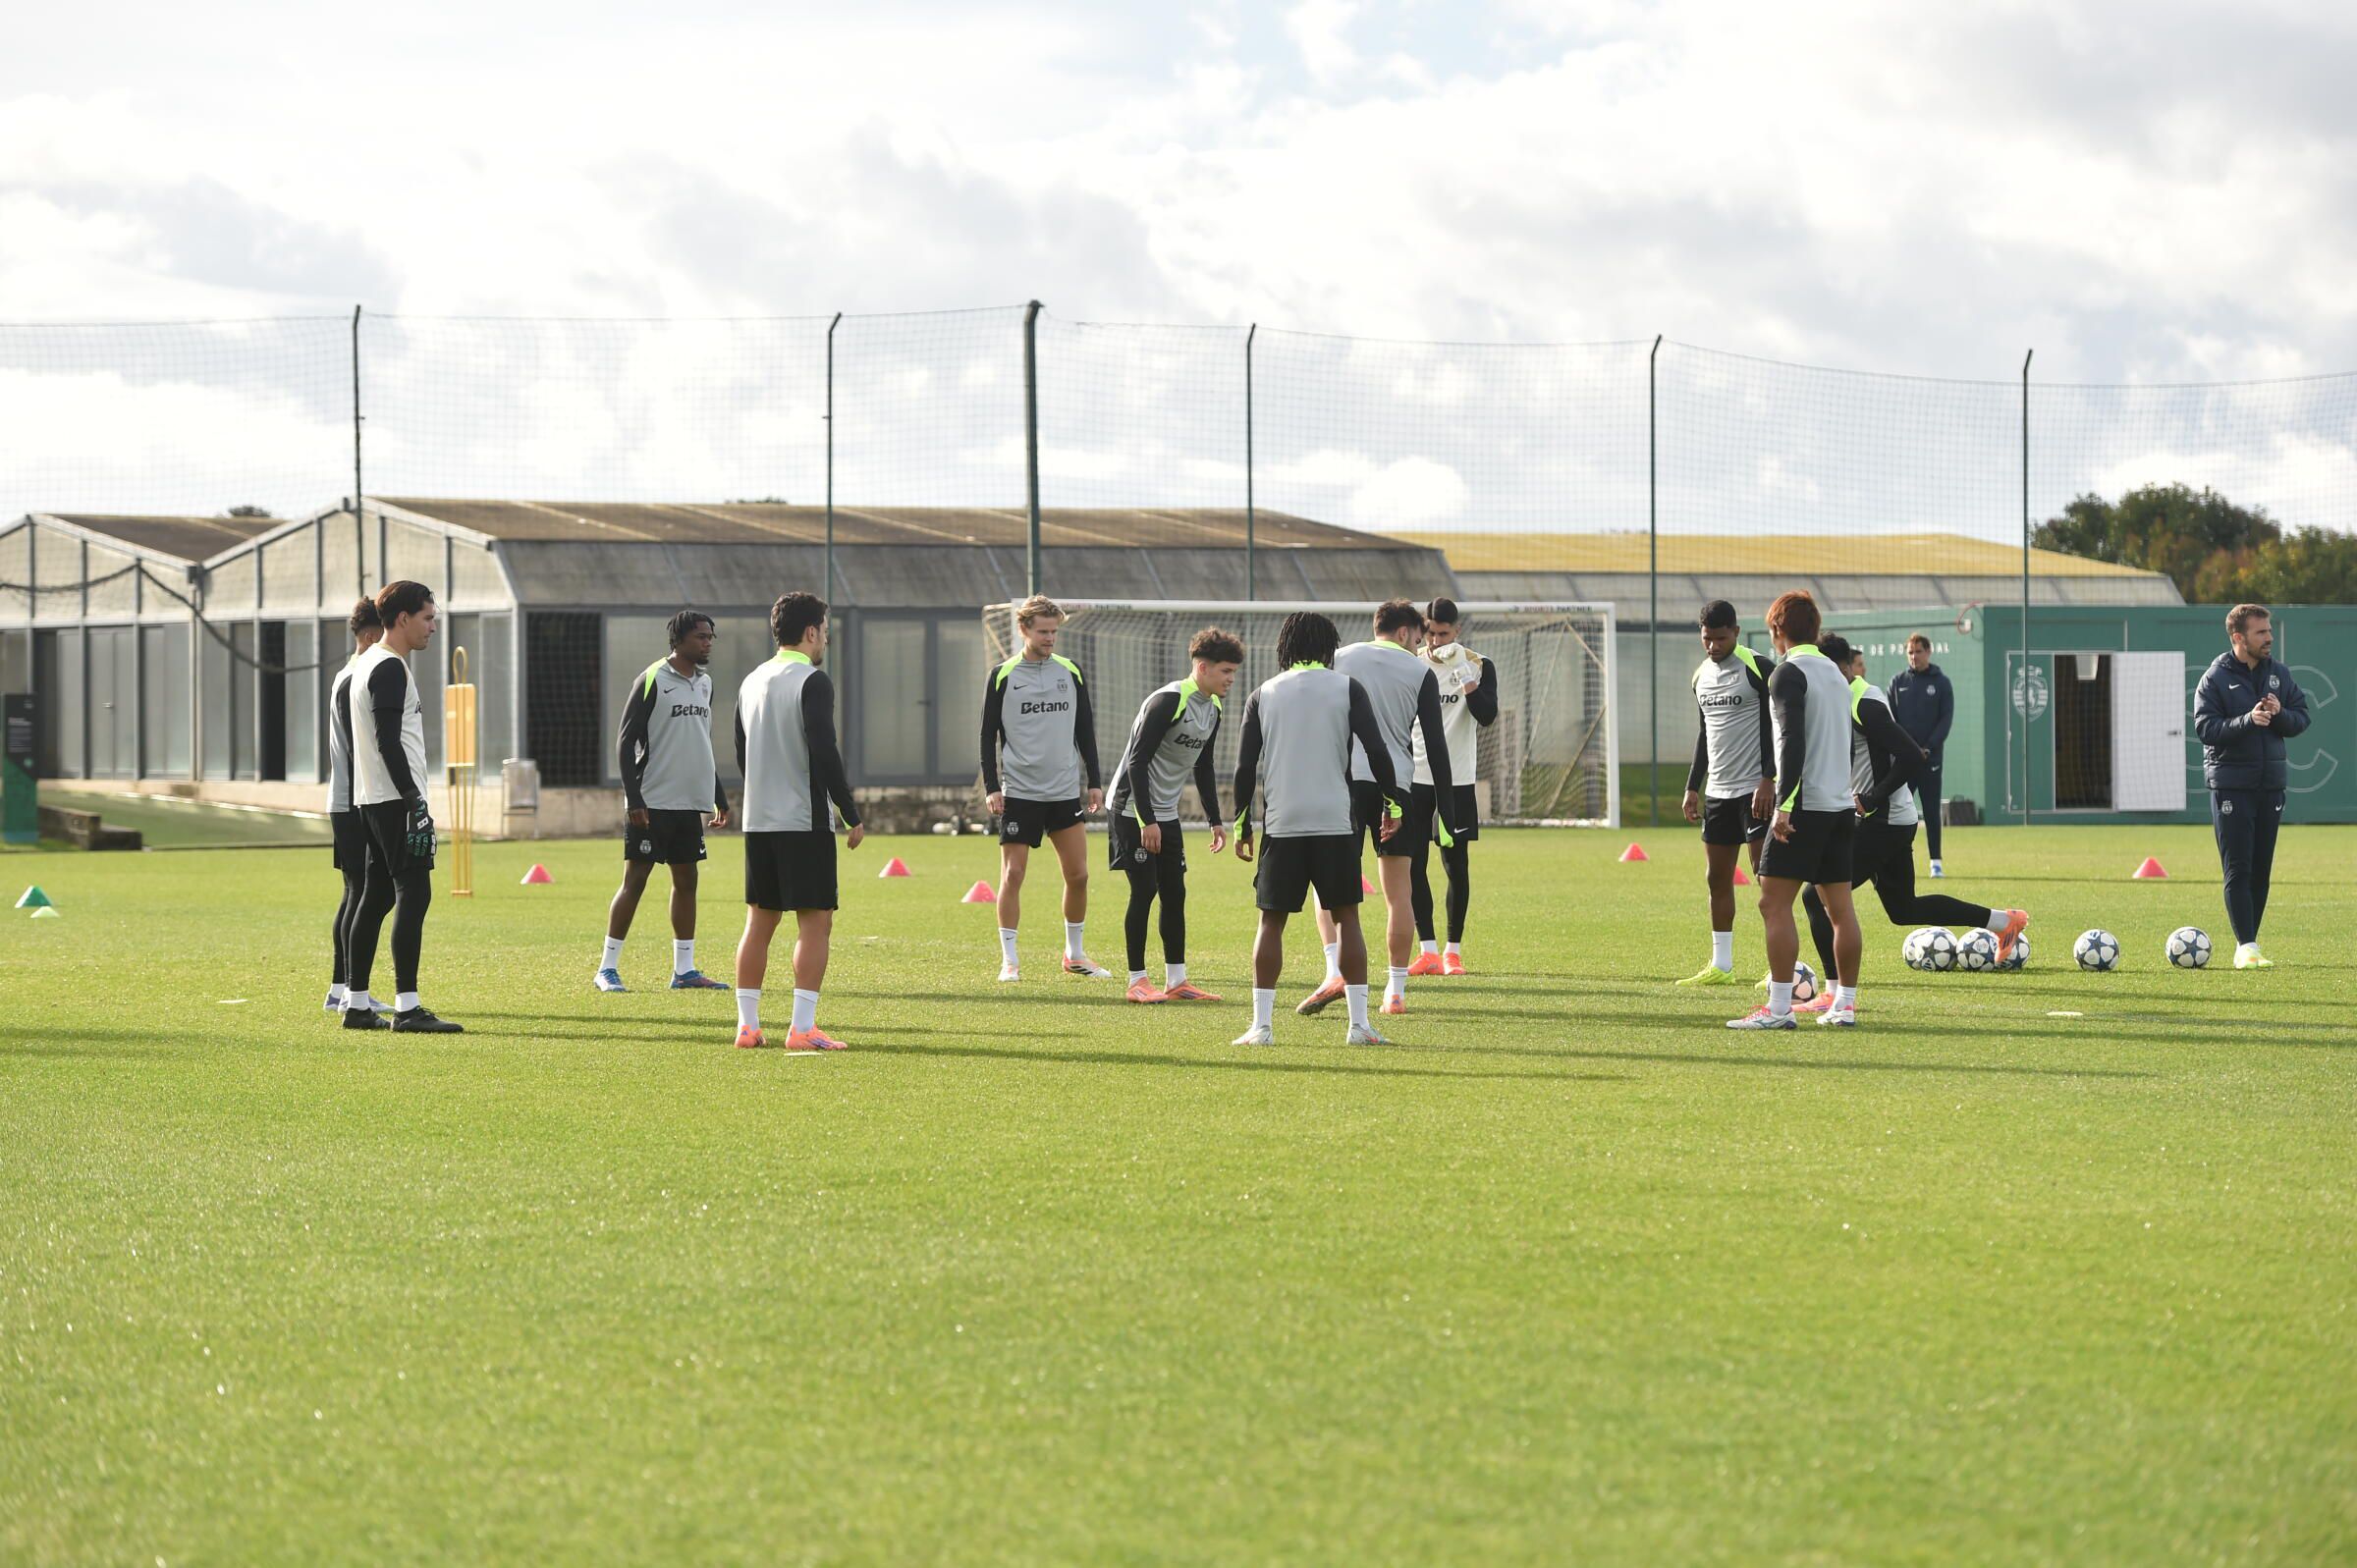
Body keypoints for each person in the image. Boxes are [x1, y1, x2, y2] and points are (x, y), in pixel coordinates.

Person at [1797, 638, 2027, 1013]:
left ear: (1839, 669)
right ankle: (2004, 921)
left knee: (1815, 895)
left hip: (1883, 820)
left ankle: (1833, 992)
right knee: (1903, 909)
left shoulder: (1863, 700)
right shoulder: (1836, 699)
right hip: (1888, 819)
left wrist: (1871, 798)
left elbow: (1911, 756)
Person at [1230, 612, 1403, 1047]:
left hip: (1283, 823)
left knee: (1271, 922)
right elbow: (1377, 750)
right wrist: (1393, 802)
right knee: (1347, 917)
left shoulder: (1262, 693)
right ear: (1328, 647)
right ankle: (1359, 1026)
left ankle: (1261, 1027)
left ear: (1285, 647)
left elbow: (1244, 766)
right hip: (1334, 821)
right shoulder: (1346, 687)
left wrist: (1240, 824)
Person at [1302, 599, 1456, 1018]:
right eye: (1419, 639)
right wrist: (1446, 804)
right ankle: (1395, 990)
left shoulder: (1338, 657)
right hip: (1398, 787)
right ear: (1406, 633)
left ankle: (1334, 970)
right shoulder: (1420, 671)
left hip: (1343, 782)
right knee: (1398, 892)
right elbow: (1435, 744)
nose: (1419, 647)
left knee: (1331, 883)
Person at [732, 591, 863, 1049]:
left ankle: (747, 1027)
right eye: (825, 631)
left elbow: (741, 753)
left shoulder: (750, 682)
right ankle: (802, 1030)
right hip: (803, 821)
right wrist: (850, 812)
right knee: (815, 922)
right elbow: (824, 750)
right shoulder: (812, 680)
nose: (826, 639)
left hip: (758, 820)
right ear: (811, 632)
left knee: (759, 923)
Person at [1727, 592, 1860, 1030]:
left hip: (1805, 807)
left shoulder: (1787, 672)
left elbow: (1792, 739)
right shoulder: (1837, 675)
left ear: (1778, 630)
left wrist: (1784, 804)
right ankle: (1845, 1006)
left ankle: (1780, 1009)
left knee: (1772, 902)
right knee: (1840, 909)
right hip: (1840, 806)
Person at [341, 579, 464, 1034]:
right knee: (414, 893)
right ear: (403, 619)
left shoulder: (366, 662)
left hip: (372, 798)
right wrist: (414, 800)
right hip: (395, 800)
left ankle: (356, 1005)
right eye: (428, 618)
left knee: (374, 897)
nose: (434, 626)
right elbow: (387, 741)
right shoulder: (389, 667)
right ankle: (407, 1008)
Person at [596, 610, 732, 992]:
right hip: (651, 801)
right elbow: (625, 742)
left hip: (689, 803)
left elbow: (700, 743)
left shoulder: (705, 684)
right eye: (701, 637)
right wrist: (634, 798)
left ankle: (684, 971)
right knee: (635, 880)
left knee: (687, 879)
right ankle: (607, 968)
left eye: (710, 637)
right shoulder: (652, 678)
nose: (707, 643)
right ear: (680, 640)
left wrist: (718, 796)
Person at [1107, 626, 1243, 1002]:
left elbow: (1203, 767)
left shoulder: (1212, 707)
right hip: (1131, 807)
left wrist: (1216, 819)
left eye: (1233, 672)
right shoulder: (1168, 701)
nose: (1231, 679)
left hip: (1163, 812)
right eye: (1226, 672)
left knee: (1175, 892)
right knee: (1145, 890)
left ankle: (1177, 981)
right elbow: (1137, 762)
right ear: (1202, 667)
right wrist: (1146, 820)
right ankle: (1137, 981)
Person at [980, 595, 1107, 981]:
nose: (1051, 638)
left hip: (1064, 791)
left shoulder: (1071, 672)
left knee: (1079, 875)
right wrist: (992, 786)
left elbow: (1085, 729)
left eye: (1054, 631)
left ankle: (1075, 954)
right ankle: (1010, 961)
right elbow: (988, 735)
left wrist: (1095, 782)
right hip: (1019, 792)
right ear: (1023, 630)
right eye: (1043, 632)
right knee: (1013, 875)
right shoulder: (1002, 675)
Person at [2193, 603, 2310, 968]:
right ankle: (2245, 944)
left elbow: (2301, 719)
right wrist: (2248, 720)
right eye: (2261, 632)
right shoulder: (2214, 678)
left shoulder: (2279, 674)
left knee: (2262, 869)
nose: (2269, 638)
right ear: (2238, 637)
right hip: (2231, 786)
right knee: (2238, 869)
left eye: (2269, 631)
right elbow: (2206, 729)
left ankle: (2250, 944)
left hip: (2271, 785)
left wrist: (2279, 714)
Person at [1675, 600, 1775, 986]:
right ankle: (1721, 965)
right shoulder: (1700, 676)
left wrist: (1769, 778)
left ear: (1735, 631)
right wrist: (1691, 787)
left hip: (1755, 792)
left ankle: (1777, 968)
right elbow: (1705, 735)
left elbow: (1775, 728)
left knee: (1767, 880)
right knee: (1716, 879)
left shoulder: (1758, 668)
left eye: (1720, 638)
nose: (1713, 646)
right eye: (1707, 639)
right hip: (1718, 793)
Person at [1407, 597, 1497, 976]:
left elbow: (1487, 716)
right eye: (1429, 632)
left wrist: (1462, 671)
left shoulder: (1478, 663)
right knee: (1412, 864)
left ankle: (1452, 951)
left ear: (1457, 631)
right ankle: (1426, 950)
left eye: (1443, 633)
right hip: (1412, 778)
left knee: (1455, 865)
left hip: (1457, 780)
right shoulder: (1409, 665)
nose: (1435, 640)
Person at [324, 595, 382, 1018]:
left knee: (354, 892)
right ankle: (345, 990)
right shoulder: (354, 678)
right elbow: (357, 749)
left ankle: (339, 987)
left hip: (347, 798)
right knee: (360, 893)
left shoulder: (350, 673)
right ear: (368, 634)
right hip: (351, 801)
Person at [1884, 633, 1953, 876]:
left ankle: (1936, 862)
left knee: (1931, 811)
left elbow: (1945, 720)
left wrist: (1928, 748)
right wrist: (1907, 749)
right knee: (1898, 809)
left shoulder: (1941, 682)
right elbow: (1890, 720)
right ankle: (1892, 858)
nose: (1914, 656)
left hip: (1930, 760)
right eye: (1910, 652)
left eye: (1919, 651)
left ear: (1929, 652)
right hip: (1904, 760)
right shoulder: (1897, 682)